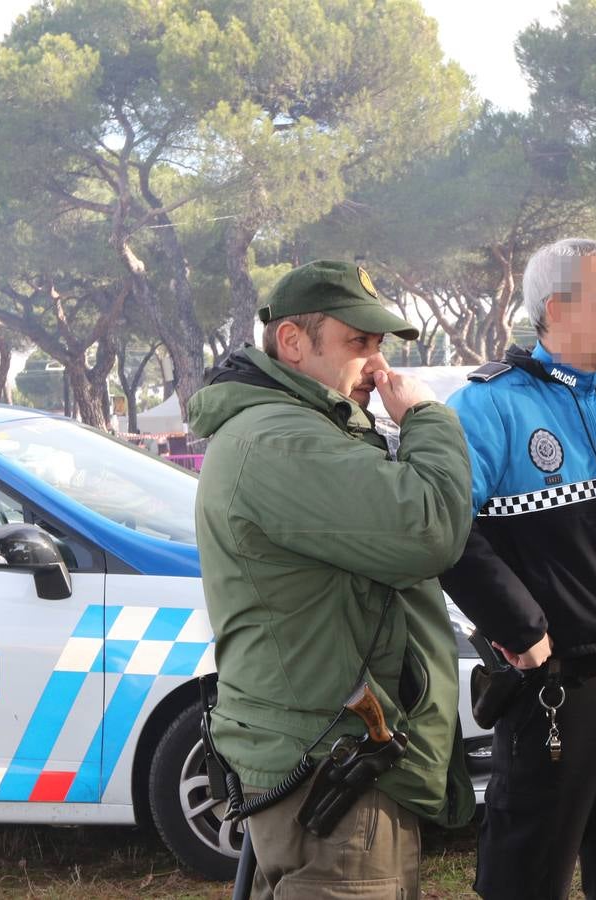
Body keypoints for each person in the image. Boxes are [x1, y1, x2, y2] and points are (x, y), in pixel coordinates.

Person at [188, 260, 474, 899]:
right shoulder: (282, 440)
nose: (377, 366)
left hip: (326, 755)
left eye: (378, 346)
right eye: (358, 344)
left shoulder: (297, 429)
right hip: (331, 768)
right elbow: (429, 528)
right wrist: (427, 419)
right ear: (293, 342)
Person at [440, 238, 596, 899]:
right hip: (552, 686)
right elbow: (445, 533)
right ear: (556, 309)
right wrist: (521, 630)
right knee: (526, 876)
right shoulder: (486, 406)